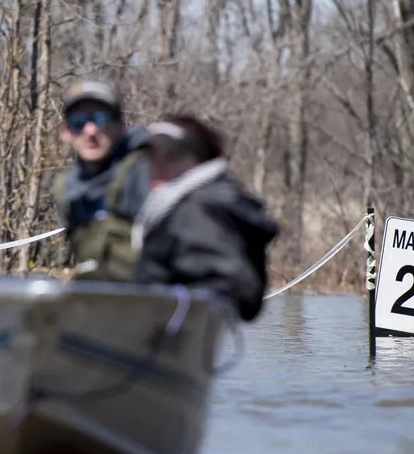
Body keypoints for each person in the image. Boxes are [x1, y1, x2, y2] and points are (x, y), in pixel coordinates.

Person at [131, 114, 280, 321]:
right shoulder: (184, 205)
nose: (157, 167)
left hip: (172, 344)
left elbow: (236, 287)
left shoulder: (201, 208)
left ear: (197, 161)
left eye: (170, 156)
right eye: (151, 157)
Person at [51, 78, 151, 281]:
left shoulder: (144, 173)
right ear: (65, 131)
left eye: (101, 119)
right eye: (78, 122)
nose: (91, 131)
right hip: (98, 301)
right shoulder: (66, 188)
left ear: (121, 127)